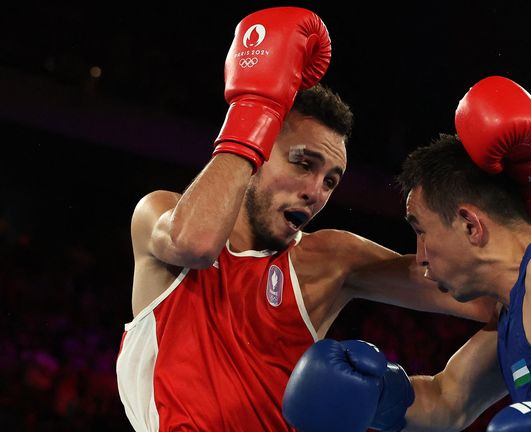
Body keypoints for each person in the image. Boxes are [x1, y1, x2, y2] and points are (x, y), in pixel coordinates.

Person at [115, 7, 494, 432]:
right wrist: (255, 108)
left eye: (331, 180)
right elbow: (196, 244)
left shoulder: (329, 259)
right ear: (256, 150)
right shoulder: (161, 215)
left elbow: (489, 296)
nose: (315, 191)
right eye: (302, 163)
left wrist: (519, 217)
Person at [281, 76, 531, 431]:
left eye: (421, 232)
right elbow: (448, 402)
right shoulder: (514, 314)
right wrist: (375, 394)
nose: (419, 257)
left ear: (470, 225)